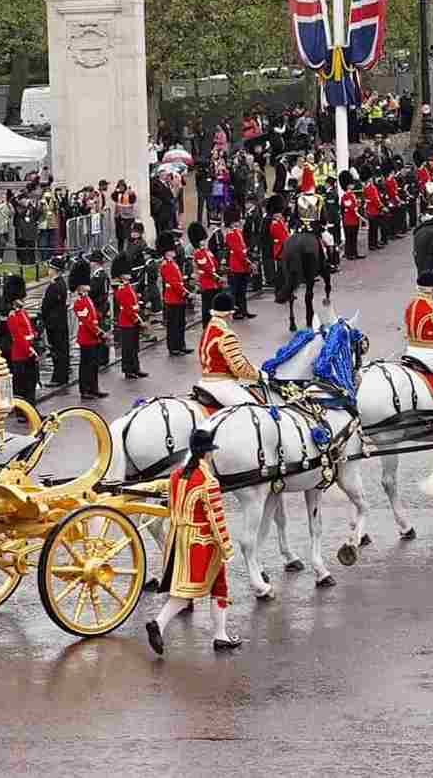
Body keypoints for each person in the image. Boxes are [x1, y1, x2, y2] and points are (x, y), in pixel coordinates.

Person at [141, 425, 242, 655]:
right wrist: (226, 546)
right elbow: (216, 519)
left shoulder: (177, 476)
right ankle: (162, 624)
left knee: (193, 588)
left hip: (178, 538)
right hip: (203, 543)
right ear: (207, 453)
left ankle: (219, 634)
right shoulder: (209, 481)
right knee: (201, 590)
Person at [195, 293, 261, 407]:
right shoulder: (226, 335)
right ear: (229, 313)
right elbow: (239, 368)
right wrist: (259, 375)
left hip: (204, 382)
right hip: (221, 385)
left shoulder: (208, 329)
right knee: (254, 410)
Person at [3, 275, 40, 414]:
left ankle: (32, 412)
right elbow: (18, 337)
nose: (23, 299)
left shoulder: (22, 312)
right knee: (22, 386)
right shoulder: (12, 316)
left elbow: (29, 330)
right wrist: (30, 350)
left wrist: (35, 337)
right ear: (14, 300)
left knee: (31, 385)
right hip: (20, 354)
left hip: (28, 352)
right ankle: (21, 413)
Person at [73, 279, 107, 400]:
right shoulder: (78, 302)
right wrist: (99, 332)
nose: (88, 286)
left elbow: (93, 317)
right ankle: (85, 390)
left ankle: (94, 388)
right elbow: (87, 322)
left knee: (94, 365)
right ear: (80, 288)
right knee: (86, 365)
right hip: (87, 337)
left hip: (93, 337)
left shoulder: (87, 299)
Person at [39, 263, 71, 388]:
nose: (49, 270)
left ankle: (58, 377)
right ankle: (62, 375)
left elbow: (47, 306)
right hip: (60, 322)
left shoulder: (54, 286)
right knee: (61, 350)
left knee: (57, 351)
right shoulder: (61, 283)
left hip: (54, 324)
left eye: (50, 268)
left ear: (55, 270)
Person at [159, 235, 191, 356]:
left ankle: (181, 345)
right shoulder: (166, 265)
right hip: (173, 298)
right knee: (173, 325)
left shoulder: (173, 263)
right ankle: (173, 347)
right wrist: (185, 293)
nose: (174, 252)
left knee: (180, 323)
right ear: (167, 252)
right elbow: (174, 283)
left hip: (179, 298)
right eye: (171, 250)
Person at [114, 269, 146, 379]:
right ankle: (128, 370)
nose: (129, 274)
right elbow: (127, 308)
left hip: (132, 319)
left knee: (134, 346)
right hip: (127, 321)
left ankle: (135, 368)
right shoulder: (122, 289)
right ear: (122, 276)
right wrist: (137, 320)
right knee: (128, 348)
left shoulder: (128, 287)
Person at [223, 218, 254, 319]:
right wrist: (248, 262)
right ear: (232, 223)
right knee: (235, 291)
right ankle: (236, 312)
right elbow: (238, 251)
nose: (239, 222)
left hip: (242, 266)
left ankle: (244, 310)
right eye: (237, 221)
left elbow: (243, 248)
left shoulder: (238, 232)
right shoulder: (230, 235)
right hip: (237, 266)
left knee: (242, 290)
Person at [190, 225, 220, 325]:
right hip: (206, 282)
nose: (204, 241)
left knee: (213, 305)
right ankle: (206, 325)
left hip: (212, 281)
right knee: (207, 306)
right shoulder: (198, 253)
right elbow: (206, 267)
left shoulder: (206, 251)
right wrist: (216, 276)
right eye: (202, 240)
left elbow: (214, 263)